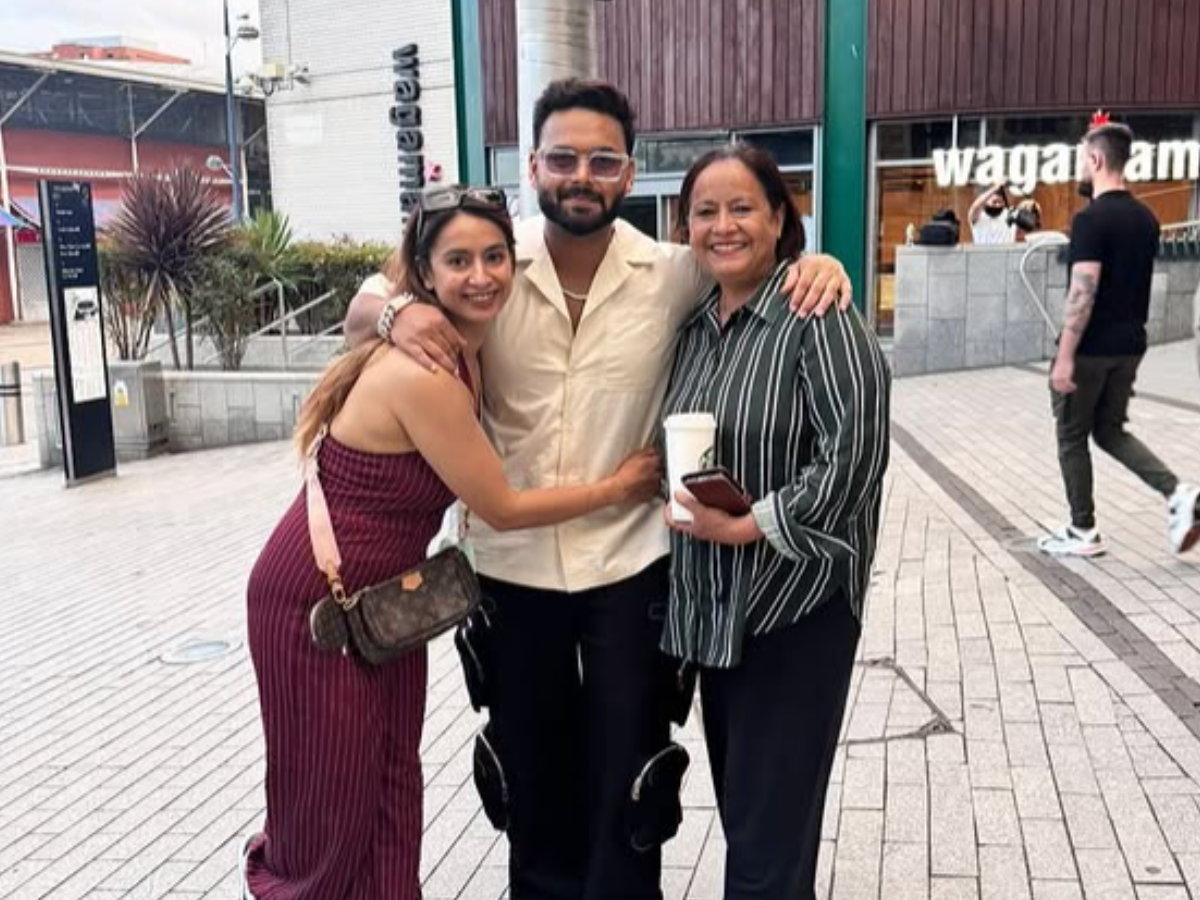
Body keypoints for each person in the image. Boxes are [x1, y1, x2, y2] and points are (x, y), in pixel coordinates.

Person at [344, 79, 852, 900]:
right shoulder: (490, 268)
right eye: (564, 158)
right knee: (531, 780)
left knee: (632, 783)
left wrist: (817, 263)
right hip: (510, 571)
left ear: (630, 173)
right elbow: (367, 301)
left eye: (603, 161)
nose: (582, 175)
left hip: (630, 569)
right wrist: (395, 312)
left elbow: (751, 258)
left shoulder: (670, 271)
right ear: (532, 167)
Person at [241, 185, 661, 900]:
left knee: (390, 782)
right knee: (330, 804)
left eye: (496, 257)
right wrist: (620, 486)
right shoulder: (425, 371)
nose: (482, 275)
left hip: (382, 610)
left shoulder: (459, 343)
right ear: (425, 273)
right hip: (314, 605)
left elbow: (369, 305)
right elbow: (501, 507)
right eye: (458, 261)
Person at [661, 144, 891, 900]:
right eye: (705, 211)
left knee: (767, 847)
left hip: (795, 614)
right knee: (753, 826)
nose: (722, 225)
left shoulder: (818, 315)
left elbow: (853, 460)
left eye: (742, 208)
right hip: (715, 617)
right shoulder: (695, 328)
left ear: (780, 219)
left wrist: (752, 524)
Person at [1040, 121, 1199, 557]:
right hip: (1129, 346)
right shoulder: (1146, 219)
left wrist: (1065, 356)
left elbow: (1083, 291)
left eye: (1081, 159)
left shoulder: (1090, 220)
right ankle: (1179, 492)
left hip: (1090, 350)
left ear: (1095, 159)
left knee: (1071, 435)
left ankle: (1082, 530)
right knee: (1109, 431)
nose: (1079, 168)